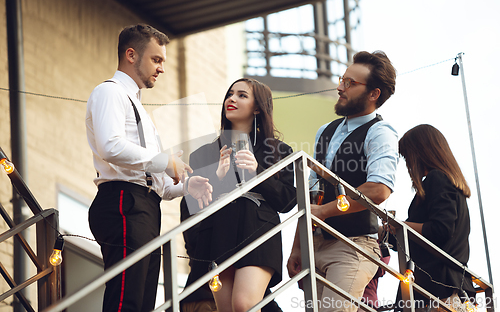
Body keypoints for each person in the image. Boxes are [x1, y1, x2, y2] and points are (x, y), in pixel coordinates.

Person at [86, 24, 212, 312]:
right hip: (123, 202)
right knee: (126, 299)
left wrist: (184, 186)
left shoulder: (140, 109)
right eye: (156, 60)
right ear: (131, 55)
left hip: (143, 206)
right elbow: (111, 146)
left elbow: (156, 183)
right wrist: (165, 161)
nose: (162, 69)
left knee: (142, 301)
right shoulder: (110, 92)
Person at [287, 50, 398, 312]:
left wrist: (325, 212)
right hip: (315, 243)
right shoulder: (324, 131)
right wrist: (298, 245)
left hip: (354, 246)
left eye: (350, 83)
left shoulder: (380, 132)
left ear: (374, 94)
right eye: (342, 79)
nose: (340, 88)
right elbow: (311, 192)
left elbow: (379, 190)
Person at [182, 78, 296, 312]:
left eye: (242, 95)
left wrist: (258, 174)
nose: (231, 99)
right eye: (230, 94)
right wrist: (217, 179)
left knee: (244, 305)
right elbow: (191, 207)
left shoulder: (279, 151)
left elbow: (287, 201)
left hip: (258, 231)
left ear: (257, 107)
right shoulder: (203, 153)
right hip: (217, 235)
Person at [393, 124, 475, 311]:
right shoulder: (450, 183)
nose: (407, 164)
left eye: (407, 156)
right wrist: (390, 232)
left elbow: (440, 230)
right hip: (447, 286)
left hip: (437, 288)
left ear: (420, 152)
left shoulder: (437, 179)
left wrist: (401, 226)